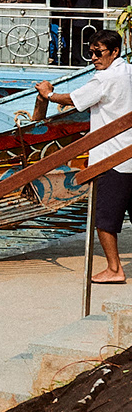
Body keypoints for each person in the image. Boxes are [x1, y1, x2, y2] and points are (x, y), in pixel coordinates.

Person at [35, 30, 132, 283]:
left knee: (104, 219)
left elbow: (73, 99)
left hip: (112, 157)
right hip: (129, 154)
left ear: (114, 52)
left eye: (98, 53)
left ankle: (114, 269)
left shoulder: (105, 78)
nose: (94, 58)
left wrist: (48, 94)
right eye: (90, 53)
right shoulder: (129, 72)